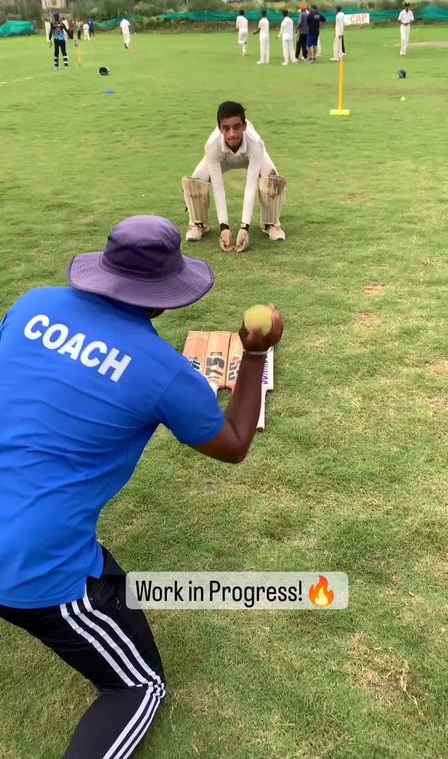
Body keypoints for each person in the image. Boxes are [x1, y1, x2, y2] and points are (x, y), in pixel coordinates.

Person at [0, 214, 284, 759]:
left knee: (111, 580)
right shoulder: (165, 372)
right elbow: (233, 443)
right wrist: (254, 353)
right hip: (28, 561)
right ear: (164, 296)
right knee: (137, 686)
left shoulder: (33, 303)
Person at [181, 101, 287, 251]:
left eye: (237, 127)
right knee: (195, 182)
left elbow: (250, 186)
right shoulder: (212, 146)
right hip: (222, 159)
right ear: (220, 129)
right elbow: (218, 187)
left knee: (272, 181)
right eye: (226, 128)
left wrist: (244, 228)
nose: (232, 133)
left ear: (244, 126)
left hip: (251, 156)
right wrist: (224, 227)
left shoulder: (254, 143)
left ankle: (271, 224)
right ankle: (198, 224)